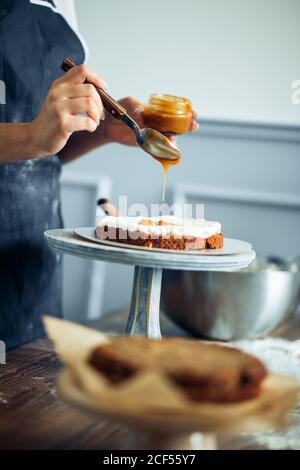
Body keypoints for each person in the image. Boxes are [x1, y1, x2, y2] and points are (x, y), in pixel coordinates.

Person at [0, 0, 197, 349]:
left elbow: (43, 157)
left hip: (33, 266)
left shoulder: (60, 4)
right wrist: (31, 135)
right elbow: (34, 139)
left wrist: (106, 132)